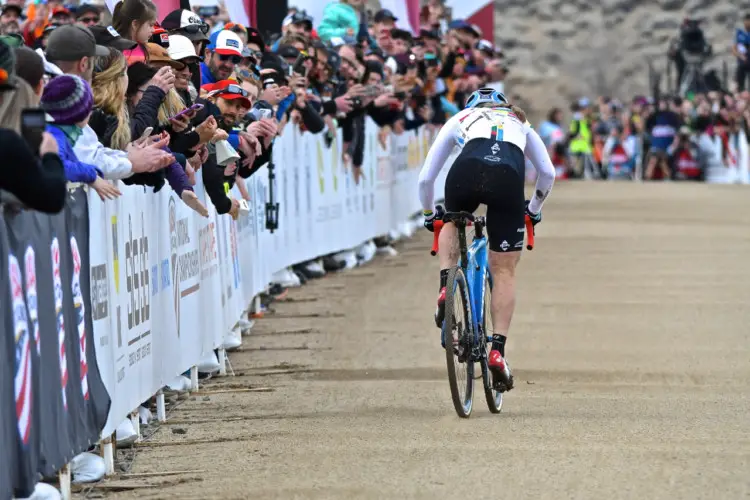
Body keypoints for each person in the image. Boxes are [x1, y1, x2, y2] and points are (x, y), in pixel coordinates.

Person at [417, 88, 556, 392]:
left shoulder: (461, 117)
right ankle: (497, 350)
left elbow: (426, 178)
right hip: (507, 177)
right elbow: (547, 173)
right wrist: (532, 211)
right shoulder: (520, 122)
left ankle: (445, 285)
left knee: (451, 221)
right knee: (504, 270)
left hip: (465, 172)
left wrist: (429, 215)